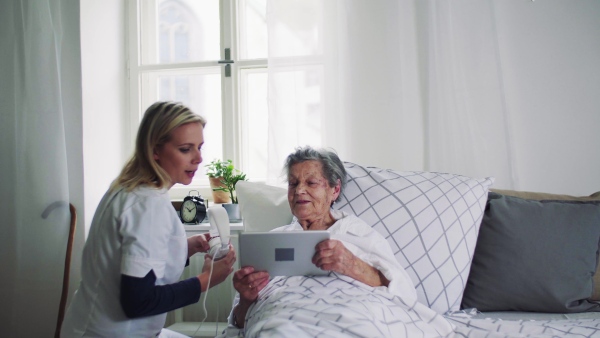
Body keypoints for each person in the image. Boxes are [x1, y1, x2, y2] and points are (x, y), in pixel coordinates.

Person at [61, 101, 236, 338]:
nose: (198, 159)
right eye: (186, 149)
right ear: (155, 150)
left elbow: (131, 260)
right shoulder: (148, 204)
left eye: (200, 147)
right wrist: (205, 280)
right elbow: (137, 302)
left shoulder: (129, 188)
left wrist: (187, 247)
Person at [222, 146, 431, 337]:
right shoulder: (271, 241)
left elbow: (404, 295)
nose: (299, 190)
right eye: (293, 183)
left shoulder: (360, 234)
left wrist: (352, 264)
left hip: (354, 315)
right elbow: (239, 323)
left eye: (311, 182)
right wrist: (247, 298)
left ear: (335, 190)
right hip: (283, 319)